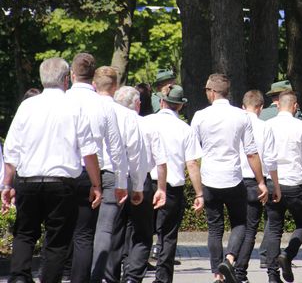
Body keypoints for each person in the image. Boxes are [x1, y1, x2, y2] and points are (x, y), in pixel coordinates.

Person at [1, 57, 102, 283]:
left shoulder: (27, 106)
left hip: (27, 180)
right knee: (57, 240)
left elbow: (12, 149)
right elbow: (88, 151)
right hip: (61, 182)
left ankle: (19, 277)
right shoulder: (74, 107)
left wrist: (7, 184)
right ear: (66, 79)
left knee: (25, 233)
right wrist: (96, 184)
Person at [191, 75, 268, 283]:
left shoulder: (199, 116)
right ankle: (230, 258)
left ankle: (217, 273)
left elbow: (193, 157)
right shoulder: (241, 116)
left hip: (209, 178)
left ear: (212, 92)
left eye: (207, 90)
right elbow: (251, 153)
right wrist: (261, 181)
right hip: (233, 178)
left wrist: (197, 190)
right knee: (240, 223)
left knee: (214, 228)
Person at [64, 53, 126, 283]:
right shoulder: (102, 105)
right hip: (94, 172)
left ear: (71, 75)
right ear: (92, 78)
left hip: (63, 171)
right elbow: (116, 147)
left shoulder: (62, 101)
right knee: (87, 233)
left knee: (62, 230)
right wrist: (120, 181)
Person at [106, 86, 168, 283]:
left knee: (115, 231)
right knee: (142, 233)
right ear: (138, 105)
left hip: (113, 178)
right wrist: (162, 188)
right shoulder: (147, 125)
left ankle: (111, 276)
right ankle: (133, 277)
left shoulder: (107, 122)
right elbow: (161, 161)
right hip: (140, 180)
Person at [91, 66, 145, 283]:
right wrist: (138, 186)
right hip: (113, 175)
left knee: (83, 230)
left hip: (85, 173)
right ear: (115, 87)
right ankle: (100, 277)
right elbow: (135, 155)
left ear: (94, 84)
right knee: (106, 230)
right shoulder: (126, 114)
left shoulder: (82, 107)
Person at [145, 84, 204, 283]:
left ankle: (132, 272)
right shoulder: (184, 129)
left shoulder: (145, 122)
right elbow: (192, 164)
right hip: (172, 188)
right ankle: (162, 278)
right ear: (180, 107)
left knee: (140, 231)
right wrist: (199, 193)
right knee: (167, 236)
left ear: (161, 102)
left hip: (146, 183)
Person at [264, 90, 302, 283]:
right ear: (295, 106)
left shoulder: (267, 125)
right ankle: (288, 254)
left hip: (272, 183)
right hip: (295, 183)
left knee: (274, 228)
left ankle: (272, 275)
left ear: (278, 104)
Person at [235, 90, 281, 283]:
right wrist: (274, 185)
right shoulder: (265, 127)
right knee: (251, 229)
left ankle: (229, 263)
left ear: (243, 106)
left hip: (234, 180)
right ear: (261, 108)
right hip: (256, 180)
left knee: (237, 227)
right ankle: (240, 271)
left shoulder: (235, 124)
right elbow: (269, 160)